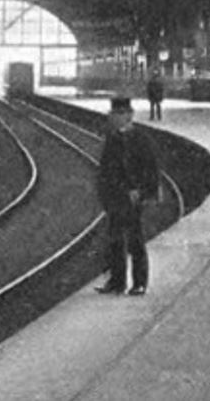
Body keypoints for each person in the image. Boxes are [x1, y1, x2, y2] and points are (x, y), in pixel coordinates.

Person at [95, 97, 160, 296]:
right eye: (113, 114)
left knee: (135, 240)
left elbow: (150, 168)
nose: (113, 117)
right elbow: (105, 170)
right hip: (115, 195)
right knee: (114, 239)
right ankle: (117, 281)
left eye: (118, 114)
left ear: (129, 115)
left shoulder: (141, 139)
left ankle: (139, 282)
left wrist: (143, 191)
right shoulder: (112, 138)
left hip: (133, 196)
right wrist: (104, 193)